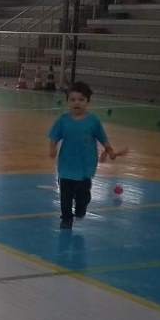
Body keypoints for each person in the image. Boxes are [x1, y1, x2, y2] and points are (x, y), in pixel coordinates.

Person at [48, 81, 114, 229]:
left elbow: (102, 137)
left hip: (86, 165)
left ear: (87, 102)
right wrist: (52, 148)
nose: (76, 103)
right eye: (72, 99)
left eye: (81, 99)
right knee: (65, 195)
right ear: (68, 101)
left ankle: (81, 207)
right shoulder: (63, 120)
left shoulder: (93, 121)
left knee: (82, 194)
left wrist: (109, 149)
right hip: (66, 165)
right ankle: (66, 218)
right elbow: (54, 136)